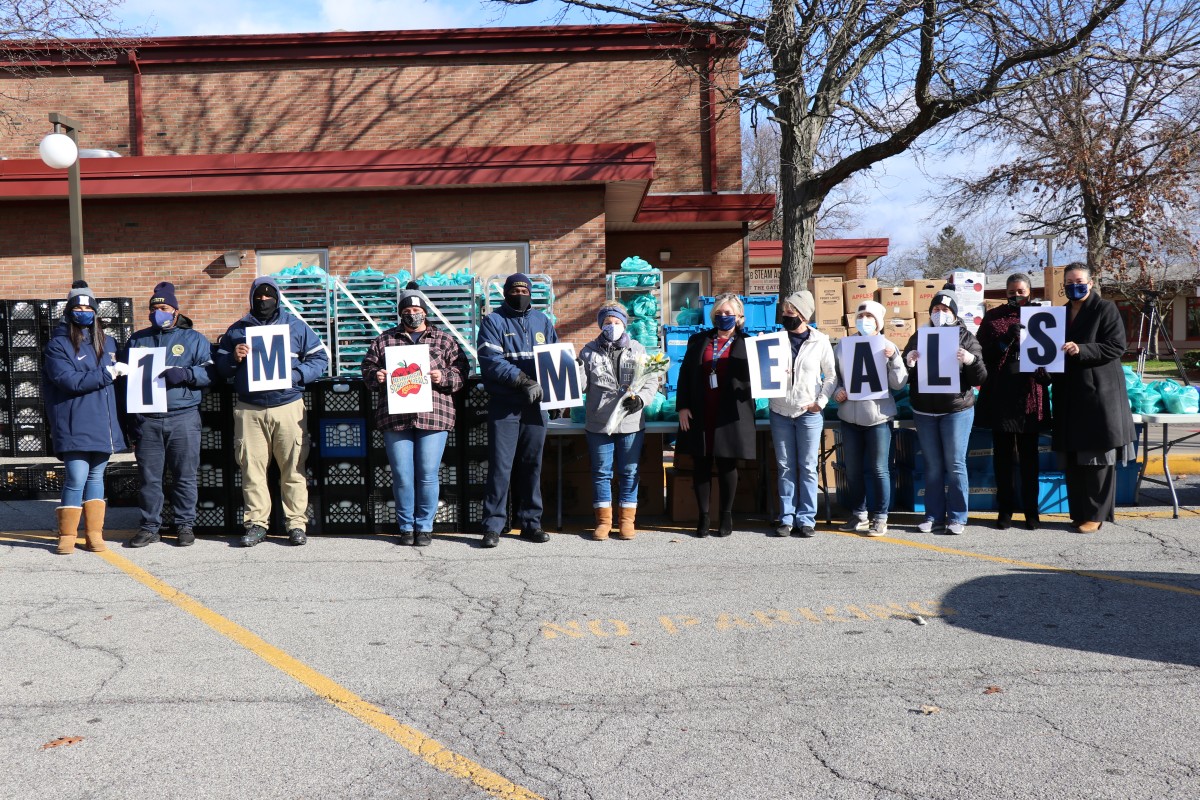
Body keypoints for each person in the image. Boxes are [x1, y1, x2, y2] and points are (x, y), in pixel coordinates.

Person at [214, 277, 329, 547]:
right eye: (258, 297)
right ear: (252, 298)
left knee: (293, 467)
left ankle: (296, 524)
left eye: (268, 297)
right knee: (252, 469)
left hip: (288, 406)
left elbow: (319, 359)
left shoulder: (296, 327)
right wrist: (232, 358)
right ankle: (256, 524)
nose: (263, 301)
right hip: (249, 408)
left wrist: (297, 375)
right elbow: (218, 367)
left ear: (277, 298)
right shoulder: (237, 330)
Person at [361, 285, 468, 547]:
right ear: (400, 314)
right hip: (395, 418)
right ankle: (406, 526)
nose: (412, 314)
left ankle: (425, 527)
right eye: (407, 310)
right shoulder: (385, 340)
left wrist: (443, 376)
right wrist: (377, 375)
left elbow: (462, 370)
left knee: (428, 473)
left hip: (434, 416)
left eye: (417, 310)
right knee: (402, 474)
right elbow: (367, 368)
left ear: (425, 312)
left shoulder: (444, 340)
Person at [124, 282, 214, 548]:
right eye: (154, 308)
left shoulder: (194, 339)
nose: (158, 312)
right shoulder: (138, 339)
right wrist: (132, 416)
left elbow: (211, 372)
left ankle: (184, 524)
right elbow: (127, 379)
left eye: (163, 307)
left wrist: (187, 374)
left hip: (183, 417)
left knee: (184, 475)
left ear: (176, 310)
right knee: (149, 477)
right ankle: (150, 526)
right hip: (148, 420)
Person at [44, 281, 128, 555]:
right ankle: (67, 535)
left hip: (103, 423)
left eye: (88, 307)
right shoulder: (58, 345)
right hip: (74, 421)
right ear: (69, 311)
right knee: (76, 477)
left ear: (95, 312)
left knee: (96, 477)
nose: (83, 311)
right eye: (78, 307)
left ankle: (94, 534)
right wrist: (108, 374)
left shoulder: (108, 342)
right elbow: (68, 380)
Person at [1052, 264, 1136, 533]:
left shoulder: (1106, 309)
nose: (1073, 285)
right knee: (1075, 458)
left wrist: (1082, 349)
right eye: (1068, 281)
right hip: (1069, 395)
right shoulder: (1059, 314)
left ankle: (1096, 515)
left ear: (1090, 283)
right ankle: (1079, 512)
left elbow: (1116, 346)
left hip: (1099, 395)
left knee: (1097, 458)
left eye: (1078, 281)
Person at [477, 273, 557, 548]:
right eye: (514, 289)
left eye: (524, 289)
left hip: (536, 407)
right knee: (501, 466)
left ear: (531, 292)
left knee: (532, 465)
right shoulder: (493, 321)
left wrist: (558, 398)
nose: (519, 293)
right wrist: (522, 381)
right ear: (506, 292)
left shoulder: (543, 321)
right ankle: (493, 526)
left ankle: (531, 524)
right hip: (505, 405)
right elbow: (491, 360)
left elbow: (555, 359)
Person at [903, 289, 987, 535]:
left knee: (955, 464)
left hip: (955, 410)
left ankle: (958, 517)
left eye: (945, 310)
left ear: (954, 314)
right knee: (932, 465)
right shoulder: (920, 336)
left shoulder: (966, 337)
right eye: (936, 310)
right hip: (925, 410)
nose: (940, 314)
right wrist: (907, 361)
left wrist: (971, 361)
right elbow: (904, 377)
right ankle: (933, 515)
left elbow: (981, 377)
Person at [675, 293, 756, 538]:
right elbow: (685, 375)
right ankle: (704, 517)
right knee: (701, 462)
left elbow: (762, 378)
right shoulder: (698, 340)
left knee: (726, 463)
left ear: (739, 317)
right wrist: (683, 406)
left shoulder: (749, 343)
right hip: (701, 409)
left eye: (729, 314)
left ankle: (726, 516)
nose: (723, 317)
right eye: (719, 313)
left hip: (731, 412)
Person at [579, 301, 661, 541]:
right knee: (601, 472)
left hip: (630, 421)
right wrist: (575, 370)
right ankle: (604, 522)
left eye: (616, 322)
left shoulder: (638, 349)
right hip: (599, 422)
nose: (612, 326)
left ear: (624, 324)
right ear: (600, 325)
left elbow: (652, 381)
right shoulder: (588, 350)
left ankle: (627, 521)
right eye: (607, 322)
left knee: (629, 471)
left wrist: (642, 401)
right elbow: (582, 387)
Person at [976, 273, 1050, 530]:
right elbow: (982, 354)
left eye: (1020, 291)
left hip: (1030, 394)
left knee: (1030, 458)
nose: (1016, 295)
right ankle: (1005, 510)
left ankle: (1032, 511)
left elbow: (1052, 354)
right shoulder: (993, 317)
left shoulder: (1043, 316)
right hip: (1001, 393)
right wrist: (1005, 338)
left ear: (1029, 292)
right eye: (1011, 291)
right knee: (1003, 457)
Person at [832, 300, 907, 537]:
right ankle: (859, 514)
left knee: (879, 469)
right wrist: (837, 392)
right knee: (852, 470)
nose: (864, 319)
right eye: (861, 315)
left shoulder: (887, 345)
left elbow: (899, 382)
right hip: (849, 418)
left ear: (878, 321)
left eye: (870, 316)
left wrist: (895, 358)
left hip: (878, 418)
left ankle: (881, 517)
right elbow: (833, 378)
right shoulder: (843, 346)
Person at [767, 291, 836, 538]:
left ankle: (807, 518)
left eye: (790, 311)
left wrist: (821, 401)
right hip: (780, 411)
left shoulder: (820, 340)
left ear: (804, 315)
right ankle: (786, 517)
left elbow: (831, 375)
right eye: (784, 311)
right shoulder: (775, 339)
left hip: (808, 412)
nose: (785, 315)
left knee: (807, 466)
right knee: (785, 466)